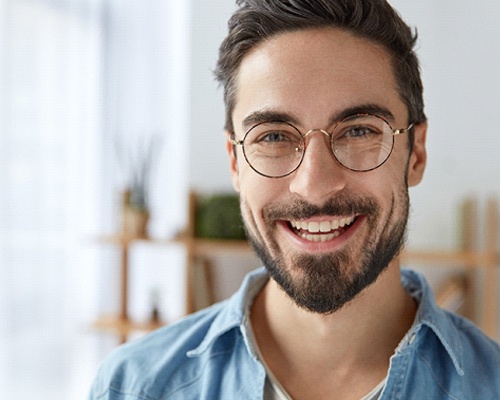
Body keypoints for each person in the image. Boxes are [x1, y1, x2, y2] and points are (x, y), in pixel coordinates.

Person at [89, 1, 500, 399]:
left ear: (417, 152)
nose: (314, 185)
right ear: (235, 163)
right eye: (273, 136)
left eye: (358, 131)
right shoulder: (133, 388)